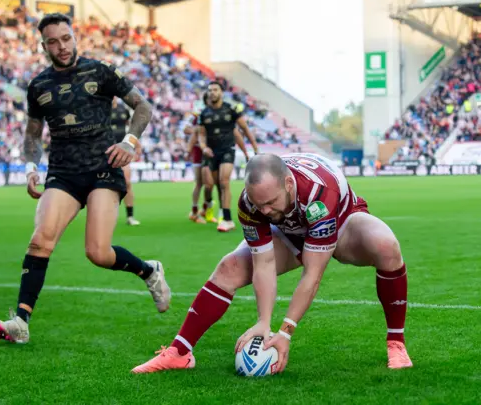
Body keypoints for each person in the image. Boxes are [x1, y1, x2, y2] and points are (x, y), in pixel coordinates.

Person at [131, 153, 412, 374]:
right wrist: (264, 323)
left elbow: (313, 274)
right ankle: (180, 352)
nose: (265, 211)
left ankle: (396, 343)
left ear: (288, 184)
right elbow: (263, 263)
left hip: (341, 221)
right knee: (229, 267)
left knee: (386, 247)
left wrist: (285, 332)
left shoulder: (318, 194)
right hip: (291, 231)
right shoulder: (250, 204)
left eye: (271, 202)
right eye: (259, 204)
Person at [0, 13, 171, 345]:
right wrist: (31, 166)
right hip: (62, 173)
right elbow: (32, 135)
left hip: (103, 167)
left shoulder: (99, 71)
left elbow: (142, 106)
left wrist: (130, 141)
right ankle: (21, 322)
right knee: (40, 240)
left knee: (98, 253)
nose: (62, 46)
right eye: (53, 41)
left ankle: (149, 270)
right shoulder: (39, 85)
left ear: (74, 37)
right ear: (44, 45)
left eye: (66, 38)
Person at [197, 82, 258, 232]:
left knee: (224, 182)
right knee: (209, 185)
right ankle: (209, 204)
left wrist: (254, 149)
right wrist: (204, 148)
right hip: (211, 153)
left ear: (221, 93)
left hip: (227, 150)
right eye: (210, 90)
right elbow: (201, 135)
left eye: (215, 90)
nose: (212, 92)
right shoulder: (204, 113)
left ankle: (227, 219)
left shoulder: (230, 110)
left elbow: (244, 129)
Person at [186, 93, 251, 224]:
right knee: (203, 184)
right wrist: (189, 150)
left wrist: (246, 151)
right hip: (201, 154)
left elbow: (236, 133)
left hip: (218, 152)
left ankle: (219, 212)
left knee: (220, 184)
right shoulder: (200, 116)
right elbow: (192, 132)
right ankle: (197, 211)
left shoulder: (222, 116)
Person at [111, 98, 140, 226]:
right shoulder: (99, 107)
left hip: (122, 150)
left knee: (127, 183)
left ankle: (130, 216)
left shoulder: (123, 109)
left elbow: (130, 129)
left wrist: (137, 144)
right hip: (103, 150)